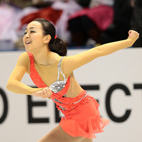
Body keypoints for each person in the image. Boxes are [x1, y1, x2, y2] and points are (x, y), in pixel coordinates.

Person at [6, 18, 139, 142]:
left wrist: (129, 42)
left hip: (84, 114)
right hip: (69, 115)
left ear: (46, 38)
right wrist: (33, 91)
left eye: (32, 31)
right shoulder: (26, 59)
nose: (26, 35)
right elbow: (11, 84)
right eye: (25, 32)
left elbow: (98, 51)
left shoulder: (62, 64)